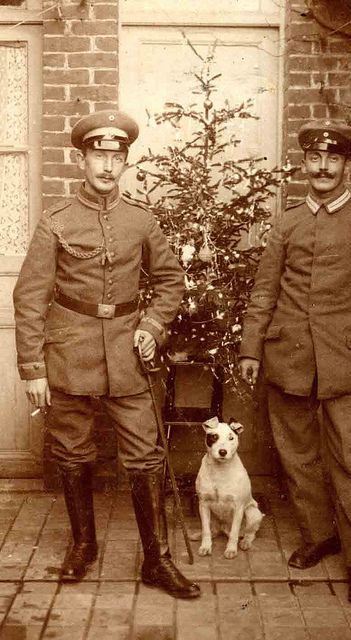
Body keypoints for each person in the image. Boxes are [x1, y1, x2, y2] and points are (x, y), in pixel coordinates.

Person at [13, 110, 200, 599]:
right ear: (82, 159)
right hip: (69, 350)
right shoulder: (55, 222)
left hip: (128, 353)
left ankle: (156, 561)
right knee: (72, 450)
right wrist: (33, 368)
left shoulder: (140, 220)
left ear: (125, 162)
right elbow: (30, 297)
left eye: (117, 157)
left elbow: (169, 281)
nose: (108, 166)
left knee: (144, 454)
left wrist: (153, 327)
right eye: (99, 155)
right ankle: (82, 546)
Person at [239, 119, 351, 604]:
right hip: (289, 357)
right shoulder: (287, 220)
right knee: (297, 456)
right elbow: (265, 290)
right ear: (304, 164)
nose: (322, 167)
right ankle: (320, 536)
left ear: (345, 165)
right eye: (315, 159)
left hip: (348, 364)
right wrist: (252, 348)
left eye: (332, 159)